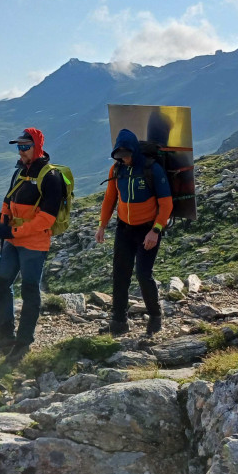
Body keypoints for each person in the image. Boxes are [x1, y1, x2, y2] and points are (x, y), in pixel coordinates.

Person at [0, 128, 64, 362]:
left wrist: (12, 231)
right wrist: (1, 222)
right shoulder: (20, 172)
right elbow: (8, 200)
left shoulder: (50, 177)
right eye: (18, 147)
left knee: (29, 290)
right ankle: (5, 336)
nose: (20, 151)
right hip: (12, 240)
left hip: (33, 243)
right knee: (2, 284)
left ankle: (24, 341)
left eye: (24, 147)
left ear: (37, 147)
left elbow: (47, 219)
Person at [95, 129, 173, 337]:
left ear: (135, 151)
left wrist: (156, 231)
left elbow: (166, 204)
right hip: (124, 229)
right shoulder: (116, 170)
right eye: (120, 157)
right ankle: (119, 321)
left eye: (127, 155)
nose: (125, 159)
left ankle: (156, 316)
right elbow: (110, 199)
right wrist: (102, 225)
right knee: (120, 274)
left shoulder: (152, 169)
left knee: (143, 274)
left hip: (148, 230)